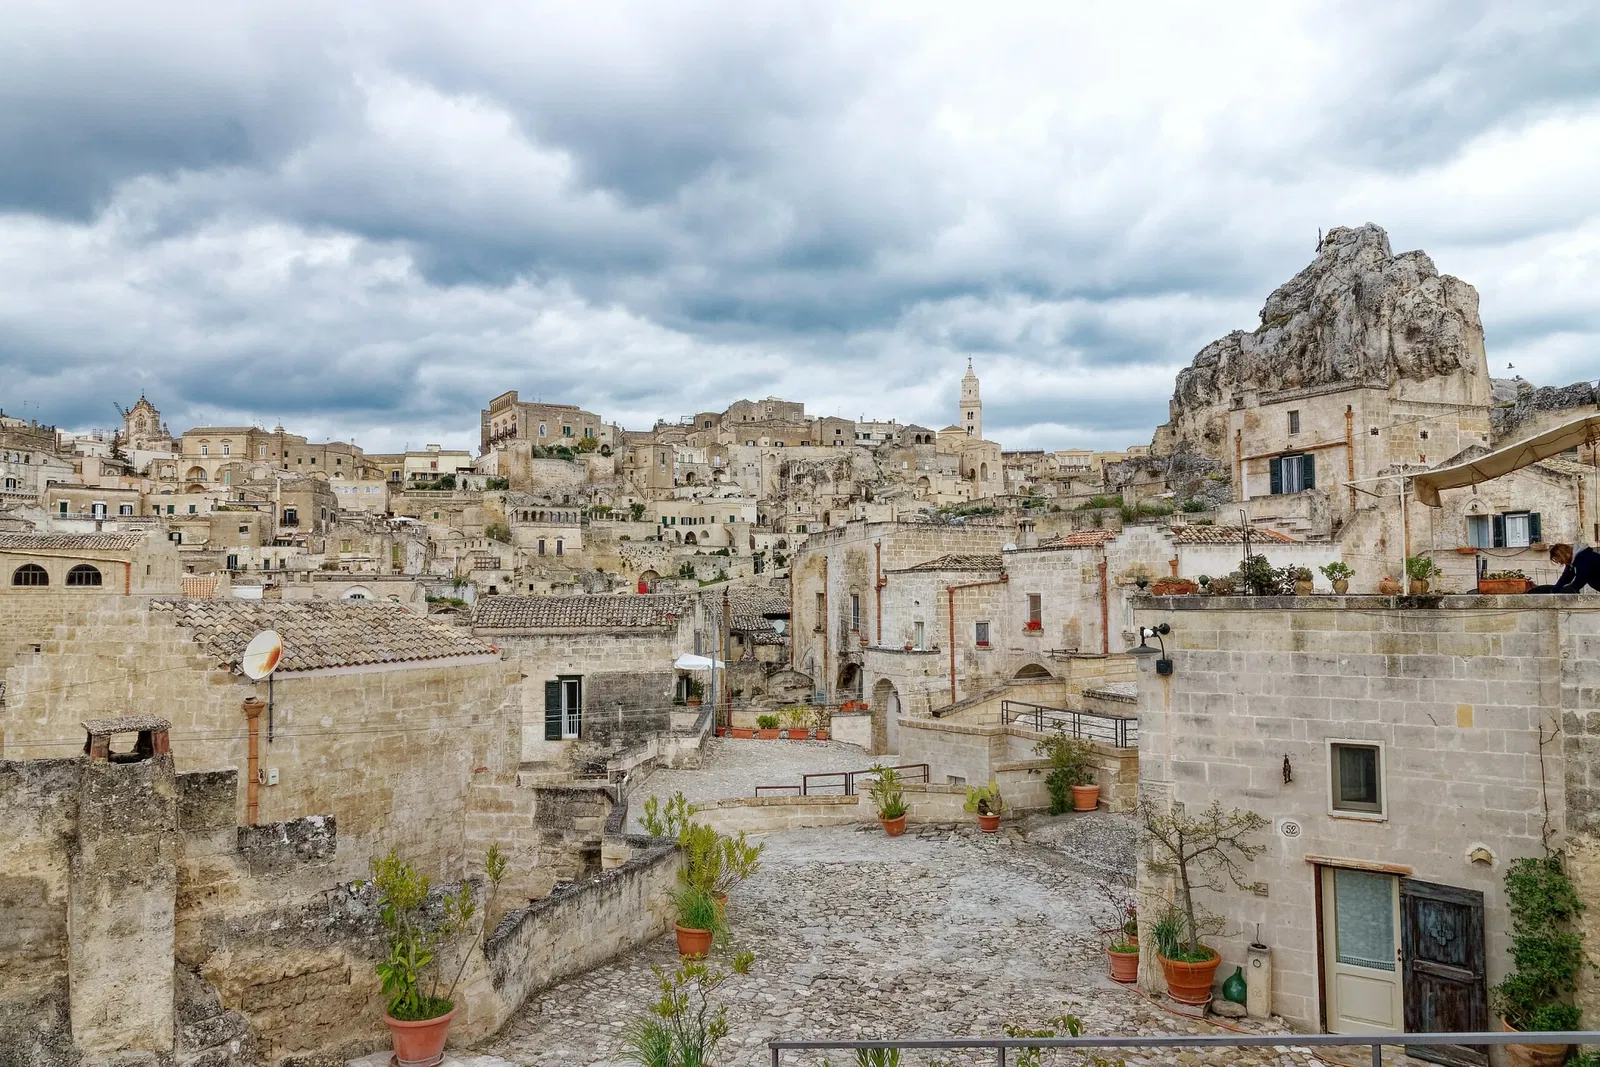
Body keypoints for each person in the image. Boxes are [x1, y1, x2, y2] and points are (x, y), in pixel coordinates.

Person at [1531, 543, 1600, 593]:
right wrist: (1555, 590)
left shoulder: (1583, 558)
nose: (1561, 563)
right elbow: (1566, 577)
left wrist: (1570, 589)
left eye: (1560, 560)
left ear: (1563, 555)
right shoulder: (1574, 560)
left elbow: (1581, 578)